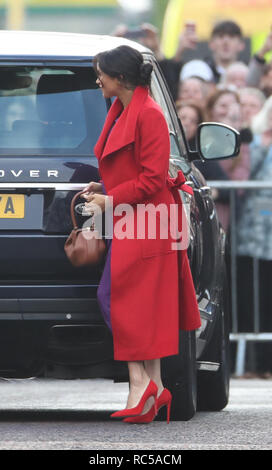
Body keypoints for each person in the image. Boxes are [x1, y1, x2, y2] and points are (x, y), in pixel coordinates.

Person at [82, 45, 201, 423]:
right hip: (134, 218)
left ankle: (142, 384)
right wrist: (104, 187)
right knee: (138, 303)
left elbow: (151, 179)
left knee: (119, 298)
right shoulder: (122, 109)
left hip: (149, 221)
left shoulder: (148, 114)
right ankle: (153, 385)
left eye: (101, 72)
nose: (97, 79)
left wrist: (110, 199)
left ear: (120, 77)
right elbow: (131, 169)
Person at [236, 96, 272, 373]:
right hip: (254, 236)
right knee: (253, 301)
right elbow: (246, 174)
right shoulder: (256, 142)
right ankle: (255, 363)